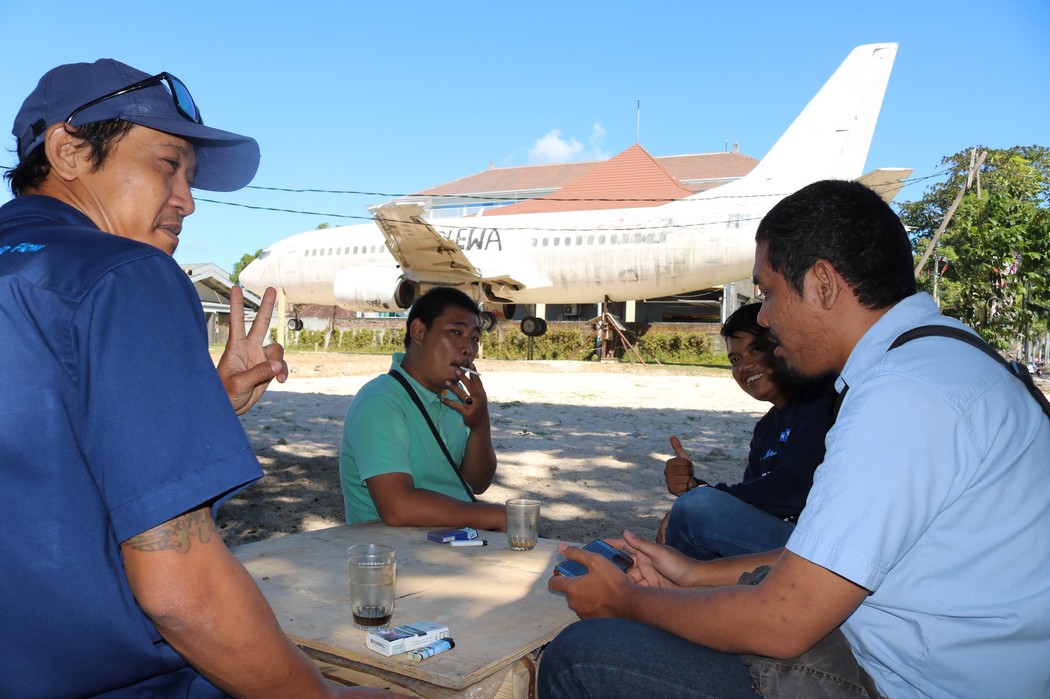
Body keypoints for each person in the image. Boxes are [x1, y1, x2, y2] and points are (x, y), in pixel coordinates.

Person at [540, 180, 1050, 698]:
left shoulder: (903, 395)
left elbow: (783, 621)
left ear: (822, 283)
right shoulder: (946, 358)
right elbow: (825, 567)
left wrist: (624, 601)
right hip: (948, 663)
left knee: (583, 654)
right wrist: (693, 576)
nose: (762, 317)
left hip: (908, 684)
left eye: (767, 293)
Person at [0, 59, 395, 698]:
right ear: (68, 150)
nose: (188, 198)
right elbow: (181, 589)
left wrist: (207, 404)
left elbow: (41, 468)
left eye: (190, 176)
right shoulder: (126, 276)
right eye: (166, 164)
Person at [659, 302, 836, 559]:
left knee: (692, 511)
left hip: (816, 550)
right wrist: (695, 487)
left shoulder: (821, 400)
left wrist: (701, 498)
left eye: (756, 349)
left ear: (782, 344)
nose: (745, 366)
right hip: (780, 543)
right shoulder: (765, 428)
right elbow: (751, 502)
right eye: (735, 359)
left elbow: (793, 490)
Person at [340, 286, 506, 530]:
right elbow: (397, 508)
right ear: (418, 331)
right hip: (392, 553)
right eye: (455, 332)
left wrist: (481, 427)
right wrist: (498, 516)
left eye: (474, 338)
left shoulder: (454, 399)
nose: (468, 349)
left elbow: (476, 483)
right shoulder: (379, 402)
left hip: (449, 541)